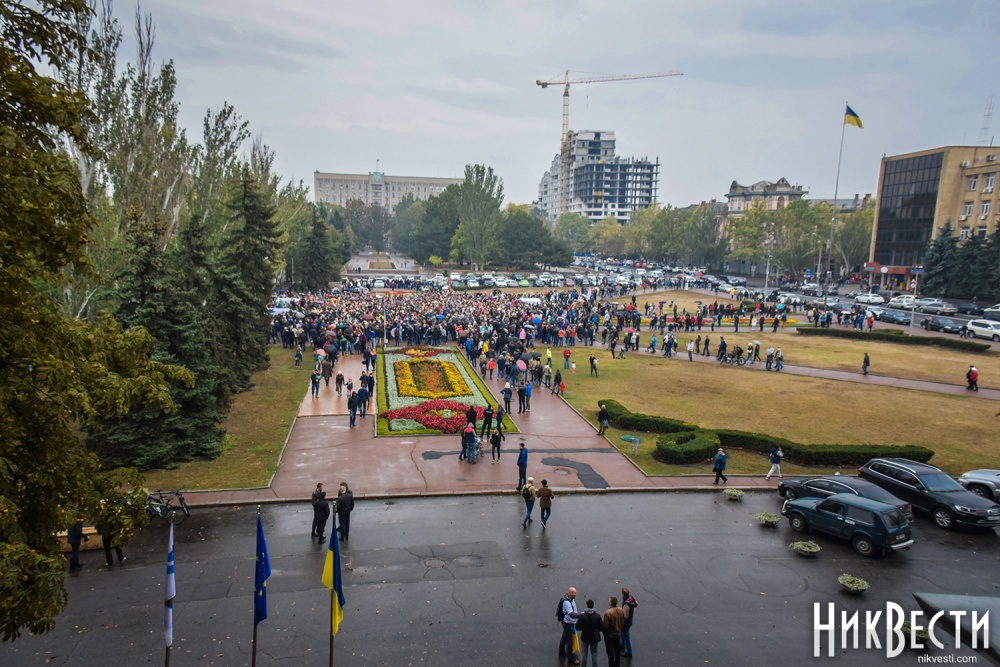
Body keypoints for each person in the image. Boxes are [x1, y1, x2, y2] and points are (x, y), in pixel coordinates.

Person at [576, 598, 604, 667]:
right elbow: (601, 627)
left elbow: (577, 627)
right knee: (594, 654)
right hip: (594, 637)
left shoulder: (582, 616)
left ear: (587, 605)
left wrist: (583, 628)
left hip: (585, 637)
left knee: (584, 654)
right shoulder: (597, 616)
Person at [559, 587, 581, 664]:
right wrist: (580, 615)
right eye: (574, 593)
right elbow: (571, 614)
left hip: (568, 623)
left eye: (576, 592)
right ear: (570, 593)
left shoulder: (570, 599)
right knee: (570, 641)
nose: (576, 594)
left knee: (564, 637)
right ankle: (571, 659)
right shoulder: (567, 602)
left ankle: (561, 651)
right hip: (568, 623)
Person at [603, 597, 626, 667]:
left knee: (610, 650)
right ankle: (617, 663)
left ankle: (611, 664)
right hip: (618, 633)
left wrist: (605, 633)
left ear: (611, 603)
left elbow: (606, 626)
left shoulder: (608, 613)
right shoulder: (620, 609)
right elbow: (623, 620)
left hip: (610, 634)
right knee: (617, 649)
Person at [620, 588, 638, 658]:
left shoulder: (626, 605)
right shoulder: (631, 599)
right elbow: (636, 604)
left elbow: (625, 616)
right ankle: (622, 644)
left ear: (623, 594)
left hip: (626, 623)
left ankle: (629, 652)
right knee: (623, 633)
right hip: (630, 621)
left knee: (626, 636)